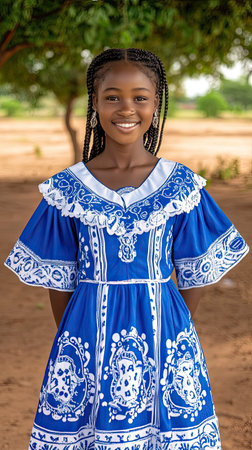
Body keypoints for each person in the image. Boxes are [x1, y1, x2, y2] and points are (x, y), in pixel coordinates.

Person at [4, 48, 249, 450]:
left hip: (167, 334)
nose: (126, 108)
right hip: (85, 337)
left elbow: (198, 272)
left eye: (140, 97)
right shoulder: (65, 191)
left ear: (156, 103)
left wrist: (172, 324)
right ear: (95, 103)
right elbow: (60, 283)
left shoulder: (181, 186)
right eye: (112, 96)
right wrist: (79, 339)